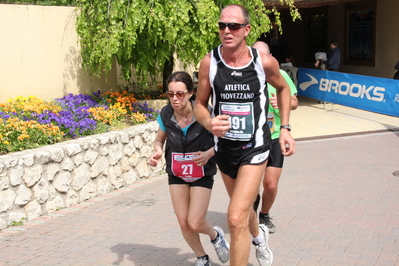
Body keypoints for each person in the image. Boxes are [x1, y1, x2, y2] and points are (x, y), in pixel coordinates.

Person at [194, 5, 296, 266]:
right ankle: (259, 237)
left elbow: (284, 90)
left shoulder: (262, 62)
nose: (227, 31)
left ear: (246, 30)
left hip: (255, 147)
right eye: (222, 26)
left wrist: (285, 129)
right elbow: (199, 104)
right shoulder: (210, 62)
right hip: (224, 149)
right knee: (245, 210)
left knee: (236, 217)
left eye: (234, 26)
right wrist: (209, 122)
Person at [149, 71, 230, 266]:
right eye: (170, 94)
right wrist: (158, 152)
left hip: (201, 170)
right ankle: (202, 257)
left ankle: (215, 235)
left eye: (180, 94)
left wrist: (209, 154)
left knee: (195, 221)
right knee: (183, 222)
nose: (175, 99)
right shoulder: (166, 113)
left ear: (191, 93)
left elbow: (223, 140)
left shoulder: (204, 112)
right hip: (176, 172)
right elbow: (159, 140)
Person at [252, 41, 298, 234]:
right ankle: (249, 216)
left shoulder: (282, 76)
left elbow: (294, 102)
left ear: (271, 58)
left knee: (270, 183)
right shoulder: (247, 75)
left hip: (275, 135)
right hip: (253, 138)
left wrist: (281, 104)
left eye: (264, 57)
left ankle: (264, 213)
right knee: (251, 182)